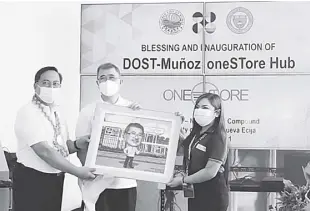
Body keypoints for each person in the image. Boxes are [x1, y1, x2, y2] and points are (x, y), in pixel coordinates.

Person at [13, 66, 96, 211]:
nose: (51, 87)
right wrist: (77, 171)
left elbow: (61, 147)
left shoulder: (57, 112)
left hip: (55, 180)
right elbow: (44, 151)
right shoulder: (28, 112)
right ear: (35, 86)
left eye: (55, 84)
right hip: (32, 181)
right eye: (46, 83)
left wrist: (76, 144)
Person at [76, 62, 140, 211]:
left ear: (120, 81)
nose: (107, 82)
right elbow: (81, 149)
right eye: (103, 78)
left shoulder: (133, 110)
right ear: (97, 83)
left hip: (126, 183)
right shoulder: (87, 111)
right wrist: (97, 170)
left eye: (112, 77)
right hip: (97, 184)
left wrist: (139, 117)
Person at [167, 92, 229, 211]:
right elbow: (182, 149)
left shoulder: (218, 137)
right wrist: (176, 125)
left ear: (217, 113)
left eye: (205, 108)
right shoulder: (196, 134)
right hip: (196, 192)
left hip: (213, 196)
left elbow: (210, 171)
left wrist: (182, 180)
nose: (199, 110)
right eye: (197, 107)